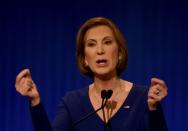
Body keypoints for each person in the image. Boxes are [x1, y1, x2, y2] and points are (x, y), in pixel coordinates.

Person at [15, 17, 168, 131]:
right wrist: (35, 102)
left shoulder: (142, 97)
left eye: (107, 42)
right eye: (91, 44)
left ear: (119, 53)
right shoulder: (72, 102)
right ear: (85, 59)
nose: (100, 50)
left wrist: (154, 109)